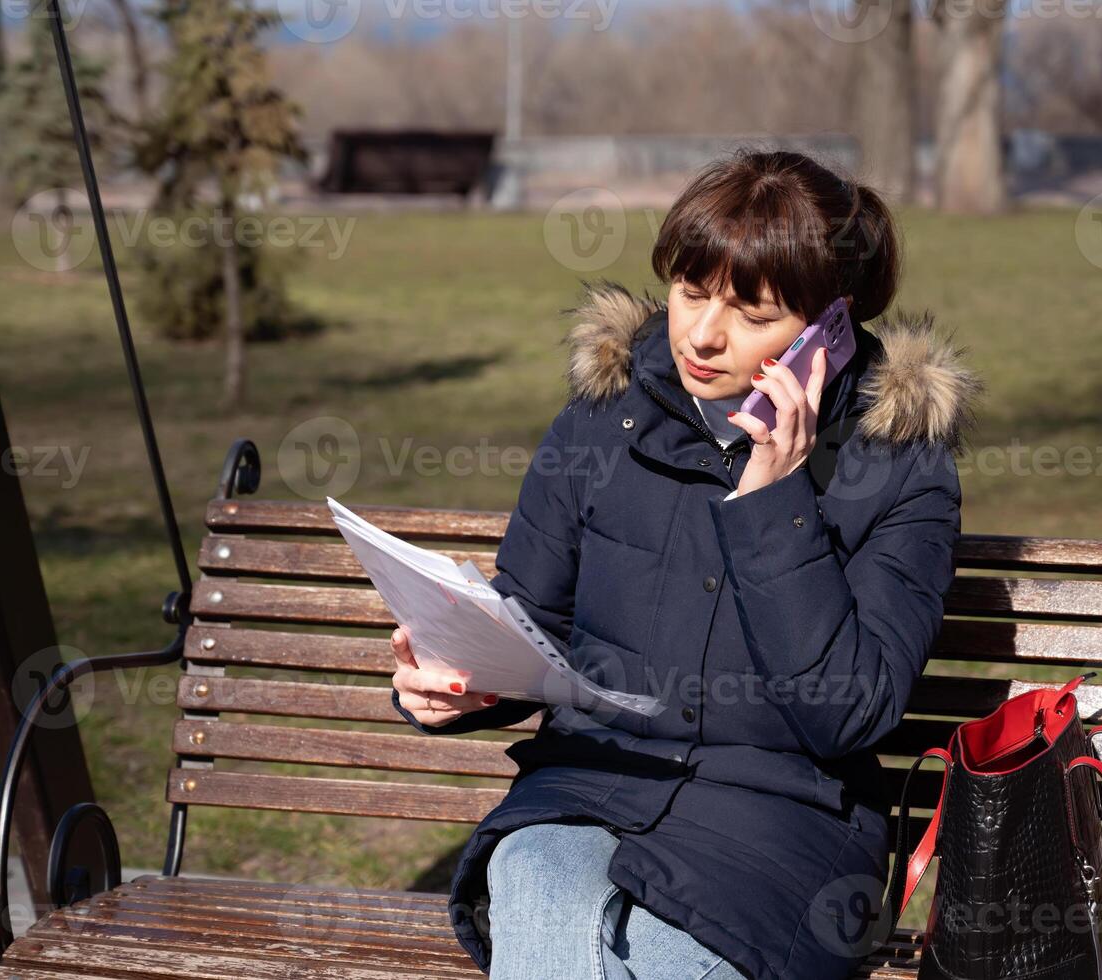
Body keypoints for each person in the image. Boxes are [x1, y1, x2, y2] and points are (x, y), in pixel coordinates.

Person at [388, 148, 984, 980]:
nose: (703, 334)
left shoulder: (900, 466)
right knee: (535, 881)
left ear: (828, 329)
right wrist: (455, 681)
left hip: (781, 834)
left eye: (752, 313)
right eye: (691, 292)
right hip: (587, 791)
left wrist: (774, 504)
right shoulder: (603, 420)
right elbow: (531, 617)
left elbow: (848, 712)